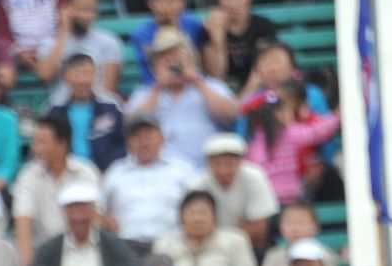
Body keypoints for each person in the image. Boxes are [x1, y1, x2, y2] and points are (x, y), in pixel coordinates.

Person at [126, 31, 240, 169]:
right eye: (165, 60)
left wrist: (197, 82)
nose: (173, 65)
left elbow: (230, 115)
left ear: (191, 60)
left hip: (206, 169)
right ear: (154, 67)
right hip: (160, 171)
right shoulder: (144, 93)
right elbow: (131, 124)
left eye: (177, 58)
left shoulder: (212, 86)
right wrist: (158, 87)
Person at [12, 115, 103, 266]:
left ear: (62, 144)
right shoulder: (28, 175)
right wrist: (26, 257)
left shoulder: (86, 173)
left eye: (42, 142)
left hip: (82, 251)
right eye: (35, 142)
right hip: (43, 254)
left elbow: (95, 218)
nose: (35, 148)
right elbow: (23, 216)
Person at [101, 115, 198, 249]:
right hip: (126, 244)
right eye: (137, 137)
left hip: (171, 245)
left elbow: (197, 206)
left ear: (162, 138)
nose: (144, 143)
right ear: (128, 142)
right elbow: (99, 210)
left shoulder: (182, 170)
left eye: (149, 136)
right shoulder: (115, 172)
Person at [243, 79, 341, 204]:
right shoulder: (290, 133)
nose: (290, 114)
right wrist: (336, 117)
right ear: (279, 114)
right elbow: (318, 131)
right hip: (290, 197)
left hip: (265, 199)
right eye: (286, 110)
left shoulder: (254, 139)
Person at [192, 131, 278, 253]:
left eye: (228, 164)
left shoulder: (255, 177)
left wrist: (227, 245)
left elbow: (259, 227)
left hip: (249, 245)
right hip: (209, 246)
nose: (223, 171)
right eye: (217, 164)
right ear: (208, 164)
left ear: (239, 162)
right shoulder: (197, 185)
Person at [35, 0, 125, 95]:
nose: (85, 16)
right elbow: (45, 75)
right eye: (81, 9)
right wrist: (63, 33)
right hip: (60, 107)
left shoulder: (109, 41)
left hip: (98, 105)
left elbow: (108, 89)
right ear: (65, 9)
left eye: (90, 10)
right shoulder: (49, 43)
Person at [44, 52, 129, 170]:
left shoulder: (111, 105)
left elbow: (124, 142)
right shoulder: (54, 108)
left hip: (107, 172)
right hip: (66, 173)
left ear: (95, 75)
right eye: (76, 74)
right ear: (65, 78)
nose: (82, 80)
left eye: (87, 73)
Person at [200, 0, 277, 91]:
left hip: (257, 89)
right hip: (224, 92)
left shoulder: (263, 26)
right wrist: (218, 38)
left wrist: (242, 101)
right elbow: (216, 76)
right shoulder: (210, 28)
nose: (231, 3)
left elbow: (264, 71)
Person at [128, 0, 207, 81]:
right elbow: (153, 68)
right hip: (158, 86)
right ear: (153, 3)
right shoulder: (142, 34)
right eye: (171, 0)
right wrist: (171, 26)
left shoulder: (192, 24)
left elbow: (197, 60)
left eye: (180, 0)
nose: (178, 5)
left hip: (194, 83)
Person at [256, 198, 323, 266]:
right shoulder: (273, 255)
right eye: (289, 223)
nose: (295, 229)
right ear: (281, 227)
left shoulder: (325, 254)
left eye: (300, 223)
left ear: (315, 226)